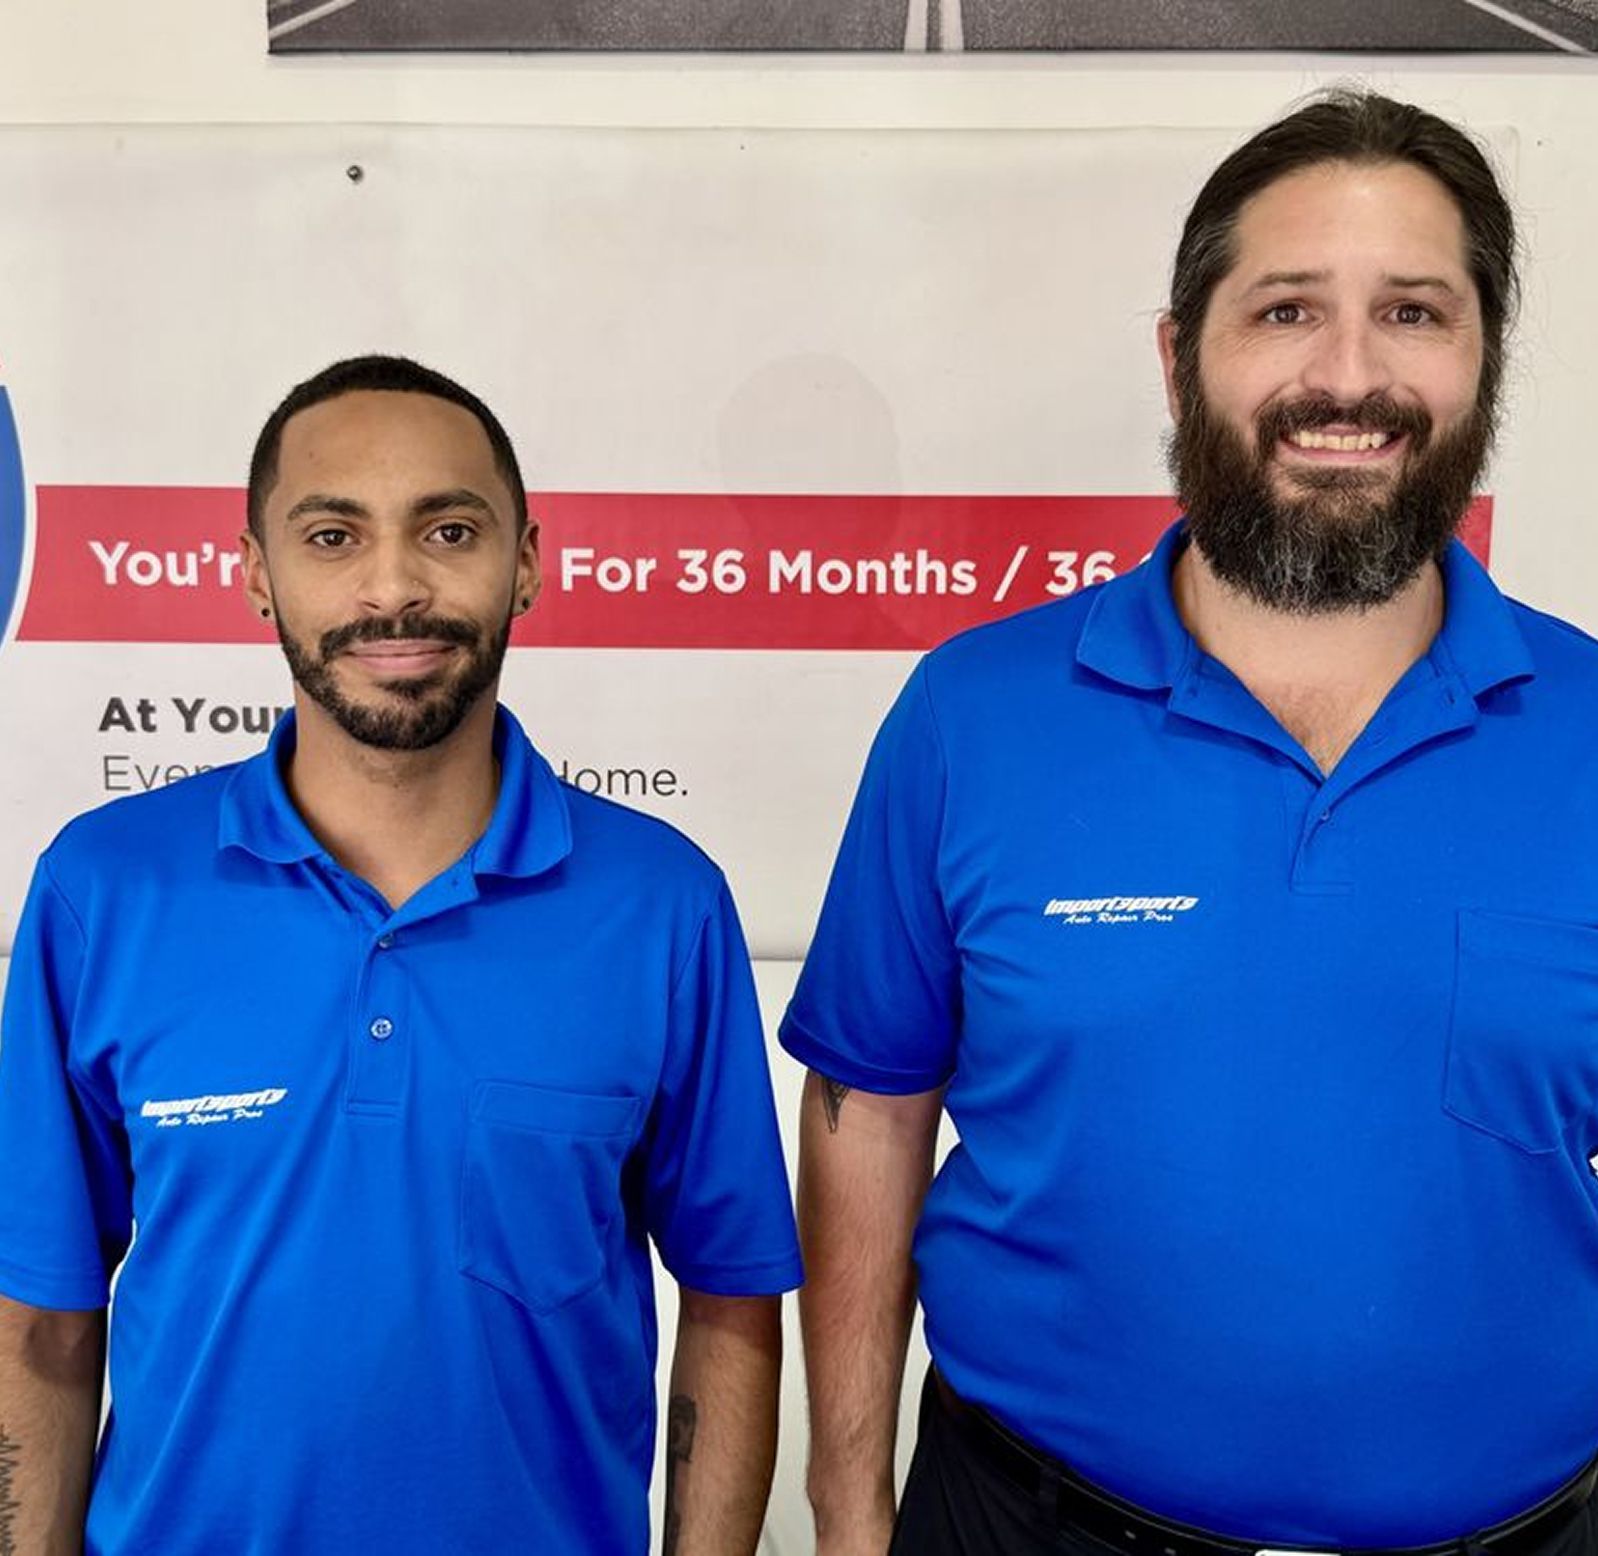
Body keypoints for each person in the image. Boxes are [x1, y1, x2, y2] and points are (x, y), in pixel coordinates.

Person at [782, 89, 1598, 1556]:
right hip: (1025, 1526)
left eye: (1413, 313)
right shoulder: (974, 717)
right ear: (1180, 357)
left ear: (1482, 362)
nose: (1347, 378)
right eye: (1285, 311)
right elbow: (869, 1112)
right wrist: (846, 1506)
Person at [0, 355, 802, 1554]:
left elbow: (731, 1300)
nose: (393, 586)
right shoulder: (103, 888)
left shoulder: (661, 902)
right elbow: (43, 1322)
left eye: (448, 528)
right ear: (256, 575)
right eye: (331, 535)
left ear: (524, 560)